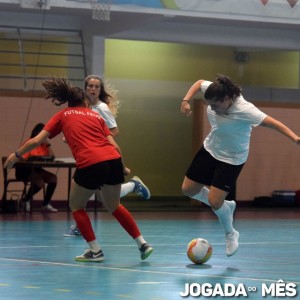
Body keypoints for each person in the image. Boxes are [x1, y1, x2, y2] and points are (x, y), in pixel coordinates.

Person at [4, 77, 153, 262]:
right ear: (84, 101)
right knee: (114, 206)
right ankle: (143, 244)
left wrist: (15, 155)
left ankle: (95, 251)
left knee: (76, 205)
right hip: (113, 160)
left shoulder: (62, 115)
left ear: (68, 101)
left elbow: (36, 140)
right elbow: (115, 147)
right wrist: (121, 168)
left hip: (91, 162)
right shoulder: (96, 116)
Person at [180, 74, 300, 257]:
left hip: (232, 158)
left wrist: (295, 138)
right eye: (209, 105)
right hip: (211, 148)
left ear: (227, 99)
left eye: (215, 105)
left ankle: (230, 233)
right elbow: (198, 83)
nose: (212, 108)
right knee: (188, 189)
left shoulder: (246, 110)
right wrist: (186, 100)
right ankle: (226, 206)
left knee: (214, 201)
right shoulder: (215, 90)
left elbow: (274, 124)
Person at [64, 75, 150, 237]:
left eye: (97, 87)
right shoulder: (84, 107)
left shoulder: (102, 108)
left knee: (92, 192)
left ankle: (132, 186)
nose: (93, 89)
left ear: (100, 90)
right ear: (85, 88)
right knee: (95, 192)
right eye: (90, 86)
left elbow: (115, 130)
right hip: (91, 156)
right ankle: (133, 186)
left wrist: (93, 141)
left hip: (101, 155)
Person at [15, 123, 58, 212]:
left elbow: (52, 157)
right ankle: (25, 200)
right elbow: (22, 158)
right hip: (24, 170)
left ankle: (46, 204)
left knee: (53, 178)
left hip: (37, 169)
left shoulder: (44, 145)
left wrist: (48, 145)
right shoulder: (30, 142)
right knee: (39, 182)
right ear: (36, 133)